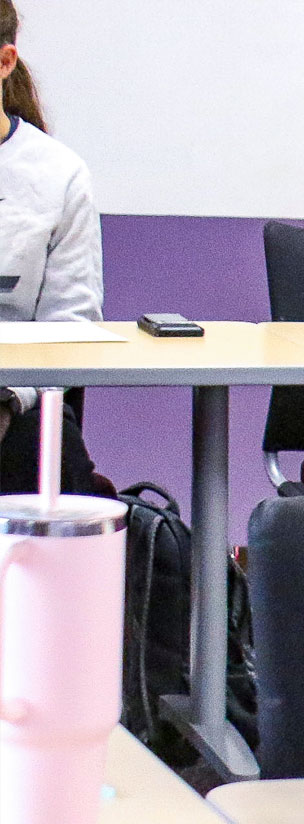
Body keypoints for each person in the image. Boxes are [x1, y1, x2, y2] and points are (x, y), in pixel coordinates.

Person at [0, 0, 101, 495]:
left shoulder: (59, 176)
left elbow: (70, 330)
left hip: (13, 408)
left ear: (5, 62)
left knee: (46, 443)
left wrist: (9, 399)